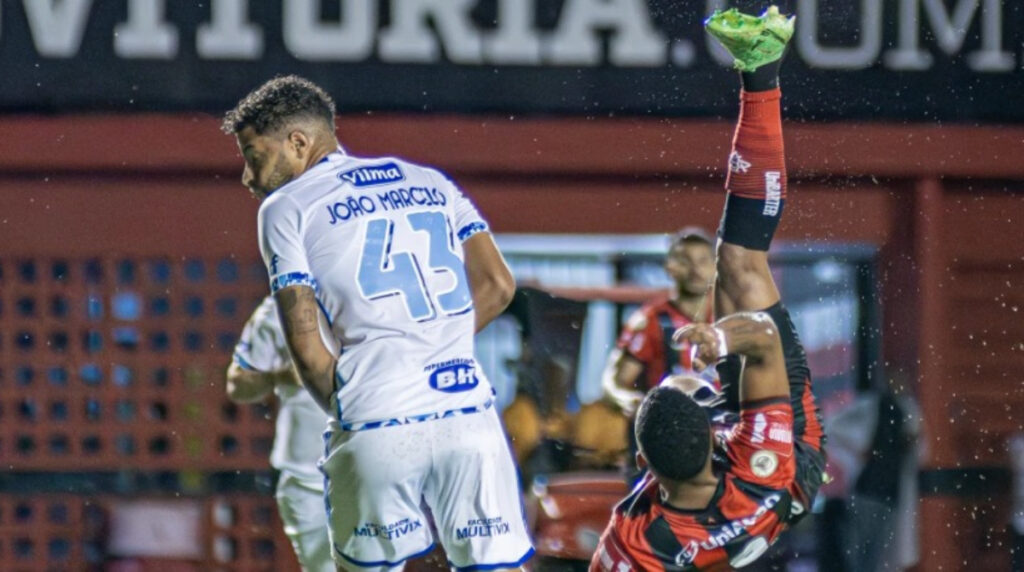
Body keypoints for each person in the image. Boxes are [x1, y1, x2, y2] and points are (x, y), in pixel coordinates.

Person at [221, 77, 532, 571]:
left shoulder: (284, 209)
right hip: (468, 415)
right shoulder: (431, 180)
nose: (248, 177)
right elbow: (498, 286)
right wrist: (428, 349)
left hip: (377, 422)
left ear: (298, 143)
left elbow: (304, 341)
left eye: (254, 155)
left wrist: (347, 402)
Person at [591, 6, 827, 570]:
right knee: (743, 264)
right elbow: (764, 337)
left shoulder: (632, 543)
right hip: (787, 464)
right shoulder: (756, 458)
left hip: (708, 487)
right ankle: (762, 72)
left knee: (733, 267)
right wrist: (721, 342)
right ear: (718, 427)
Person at [226, 296, 333, 572]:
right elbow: (237, 384)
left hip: (373, 464)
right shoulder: (281, 305)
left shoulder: (382, 290)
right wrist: (283, 374)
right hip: (307, 476)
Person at [601, 227, 716, 419]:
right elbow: (614, 384)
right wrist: (628, 401)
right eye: (685, 261)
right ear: (669, 267)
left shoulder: (730, 319)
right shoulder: (650, 320)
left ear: (716, 266)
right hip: (669, 427)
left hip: (724, 430)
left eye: (703, 261)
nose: (696, 270)